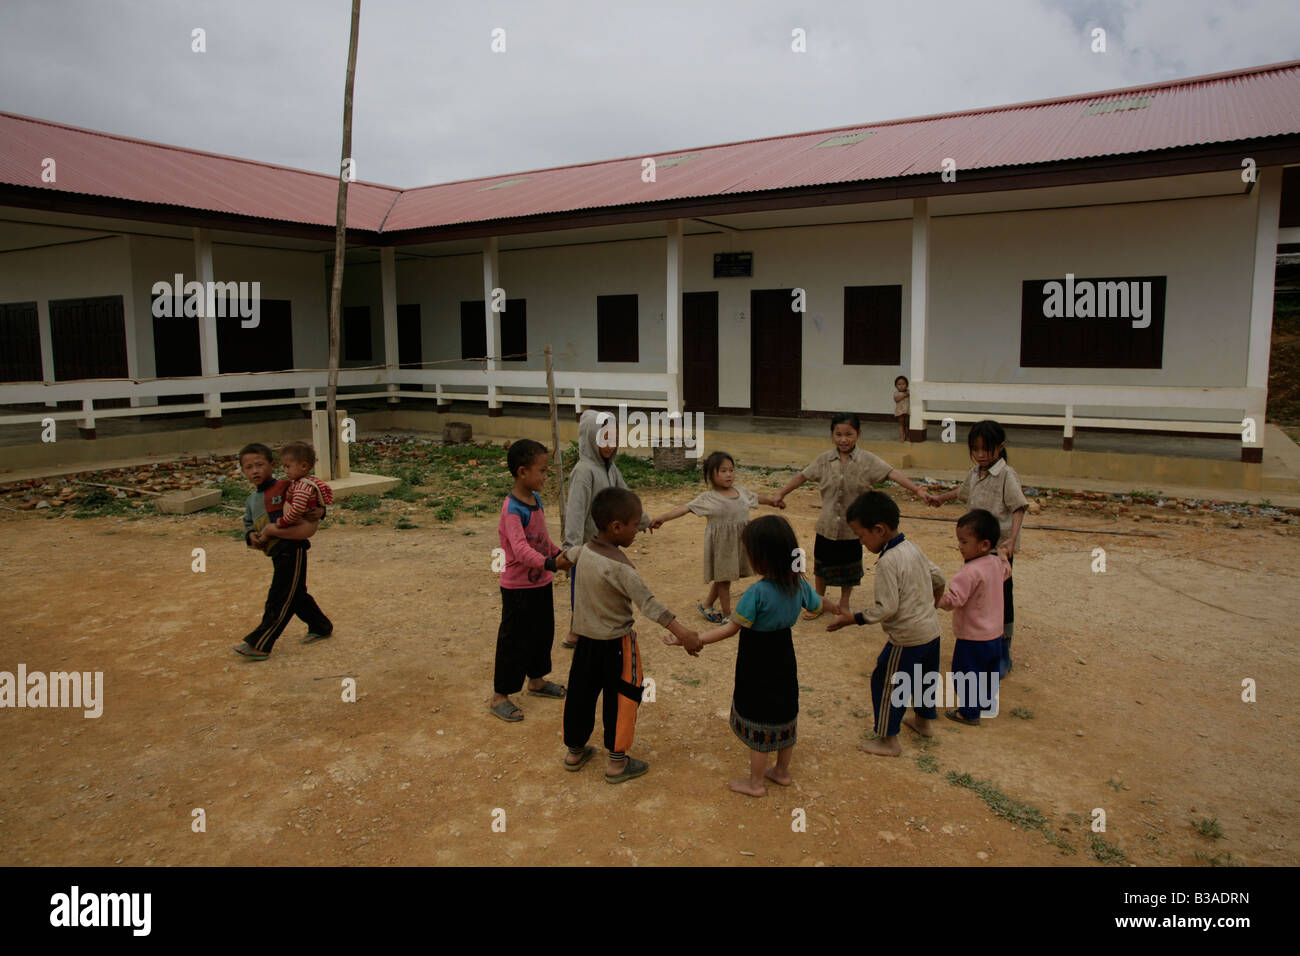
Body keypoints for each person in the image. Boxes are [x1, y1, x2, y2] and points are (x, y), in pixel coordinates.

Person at [670, 515, 820, 797]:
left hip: (757, 661)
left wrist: (694, 639)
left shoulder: (757, 593)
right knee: (786, 708)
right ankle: (782, 772)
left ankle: (755, 783)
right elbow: (816, 605)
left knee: (759, 712)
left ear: (760, 558)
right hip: (784, 656)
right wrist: (835, 607)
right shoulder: (799, 585)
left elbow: (730, 629)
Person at [560, 488, 700, 783]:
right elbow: (649, 604)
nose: (638, 529)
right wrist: (684, 633)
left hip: (585, 644)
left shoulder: (584, 551)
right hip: (616, 646)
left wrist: (543, 565)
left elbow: (564, 558)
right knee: (623, 697)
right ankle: (617, 762)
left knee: (580, 695)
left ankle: (574, 750)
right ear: (616, 527)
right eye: (635, 524)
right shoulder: (622, 568)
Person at [771, 412, 934, 619]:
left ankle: (844, 603)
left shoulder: (867, 460)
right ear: (832, 435)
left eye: (849, 434)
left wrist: (917, 490)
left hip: (853, 529)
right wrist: (781, 493)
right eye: (838, 434)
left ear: (858, 434)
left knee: (850, 570)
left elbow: (892, 473)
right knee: (821, 567)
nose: (843, 439)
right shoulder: (824, 460)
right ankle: (817, 602)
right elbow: (802, 476)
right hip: (827, 525)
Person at [826, 491, 946, 757]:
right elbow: (938, 577)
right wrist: (931, 605)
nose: (861, 541)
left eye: (861, 536)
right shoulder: (912, 547)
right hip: (932, 632)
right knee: (925, 678)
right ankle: (923, 722)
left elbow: (886, 608)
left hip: (906, 639)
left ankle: (888, 740)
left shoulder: (888, 562)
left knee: (885, 681)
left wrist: (853, 619)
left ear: (879, 530)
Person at [928, 420, 1027, 677]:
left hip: (997, 552)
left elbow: (1018, 507)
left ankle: (1003, 651)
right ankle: (979, 640)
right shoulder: (975, 473)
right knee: (974, 596)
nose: (981, 455)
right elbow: (962, 492)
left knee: (1001, 598)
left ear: (1000, 448)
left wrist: (1012, 540)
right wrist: (940, 498)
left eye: (987, 450)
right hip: (974, 550)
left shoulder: (1007, 475)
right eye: (976, 449)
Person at [490, 439, 574, 722]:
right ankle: (500, 695)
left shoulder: (535, 500)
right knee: (513, 640)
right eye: (542, 471)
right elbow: (521, 551)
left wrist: (558, 554)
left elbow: (541, 539)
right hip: (518, 588)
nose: (546, 476)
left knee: (542, 634)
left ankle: (536, 680)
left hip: (540, 584)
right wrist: (551, 563)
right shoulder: (512, 510)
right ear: (522, 472)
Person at [650, 450, 783, 624]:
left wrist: (773, 501)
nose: (729, 474)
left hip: (740, 542)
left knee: (723, 576)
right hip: (722, 545)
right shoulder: (708, 498)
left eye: (731, 470)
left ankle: (706, 605)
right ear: (711, 475)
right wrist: (663, 518)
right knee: (724, 579)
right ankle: (728, 615)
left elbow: (757, 498)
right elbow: (685, 508)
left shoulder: (741, 492)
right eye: (723, 471)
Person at [560, 409, 652, 649]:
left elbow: (626, 498)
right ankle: (576, 632)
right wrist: (570, 548)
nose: (610, 445)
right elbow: (575, 512)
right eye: (604, 439)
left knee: (599, 589)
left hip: (606, 545)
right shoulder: (583, 472)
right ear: (591, 438)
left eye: (613, 438)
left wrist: (645, 521)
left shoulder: (611, 469)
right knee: (581, 591)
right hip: (585, 549)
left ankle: (580, 630)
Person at [233, 442, 331, 660]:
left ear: (272, 465)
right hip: (275, 551)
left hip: (292, 548)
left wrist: (321, 510)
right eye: (248, 467)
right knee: (295, 594)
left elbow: (311, 500)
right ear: (243, 472)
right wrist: (251, 536)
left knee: (280, 595)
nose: (255, 470)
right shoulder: (251, 500)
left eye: (260, 464)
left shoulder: (288, 487)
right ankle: (320, 625)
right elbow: (248, 524)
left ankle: (260, 643)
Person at [936, 509, 1010, 726]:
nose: (959, 546)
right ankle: (985, 702)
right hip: (995, 635)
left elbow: (954, 600)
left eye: (964, 542)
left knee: (965, 673)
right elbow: (1007, 571)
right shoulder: (995, 563)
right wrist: (1004, 557)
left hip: (972, 638)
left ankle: (968, 712)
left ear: (984, 545)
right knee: (989, 672)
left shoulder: (969, 572)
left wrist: (935, 599)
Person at [272, 441, 333, 531]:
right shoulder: (309, 482)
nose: (285, 471)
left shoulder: (303, 487)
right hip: (297, 524)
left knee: (269, 530)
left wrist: (283, 521)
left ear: (304, 466)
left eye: (287, 466)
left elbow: (297, 509)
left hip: (297, 525)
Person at [893, 376, 911, 442]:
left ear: (907, 385)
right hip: (900, 411)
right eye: (899, 384)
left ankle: (907, 436)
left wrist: (907, 394)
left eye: (903, 384)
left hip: (907, 410)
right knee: (901, 424)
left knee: (907, 424)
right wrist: (903, 395)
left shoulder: (909, 392)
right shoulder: (896, 393)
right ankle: (901, 437)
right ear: (896, 386)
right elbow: (896, 400)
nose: (901, 386)